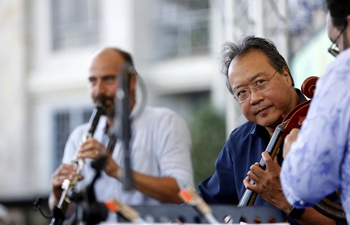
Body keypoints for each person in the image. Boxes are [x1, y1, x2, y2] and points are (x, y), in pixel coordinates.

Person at [197, 36, 337, 224]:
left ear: (286, 75)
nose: (254, 98)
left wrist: (285, 202)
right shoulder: (240, 141)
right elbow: (209, 201)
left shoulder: (335, 130)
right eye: (242, 93)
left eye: (260, 82)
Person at [49, 47, 194, 222]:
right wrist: (58, 196)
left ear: (131, 81)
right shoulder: (79, 135)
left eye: (108, 79)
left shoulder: (165, 122)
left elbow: (183, 192)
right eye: (93, 81)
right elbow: (68, 213)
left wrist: (118, 171)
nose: (99, 90)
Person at [281, 0, 350, 223]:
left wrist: (293, 153)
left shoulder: (344, 70)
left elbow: (303, 186)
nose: (339, 53)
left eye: (336, 43)